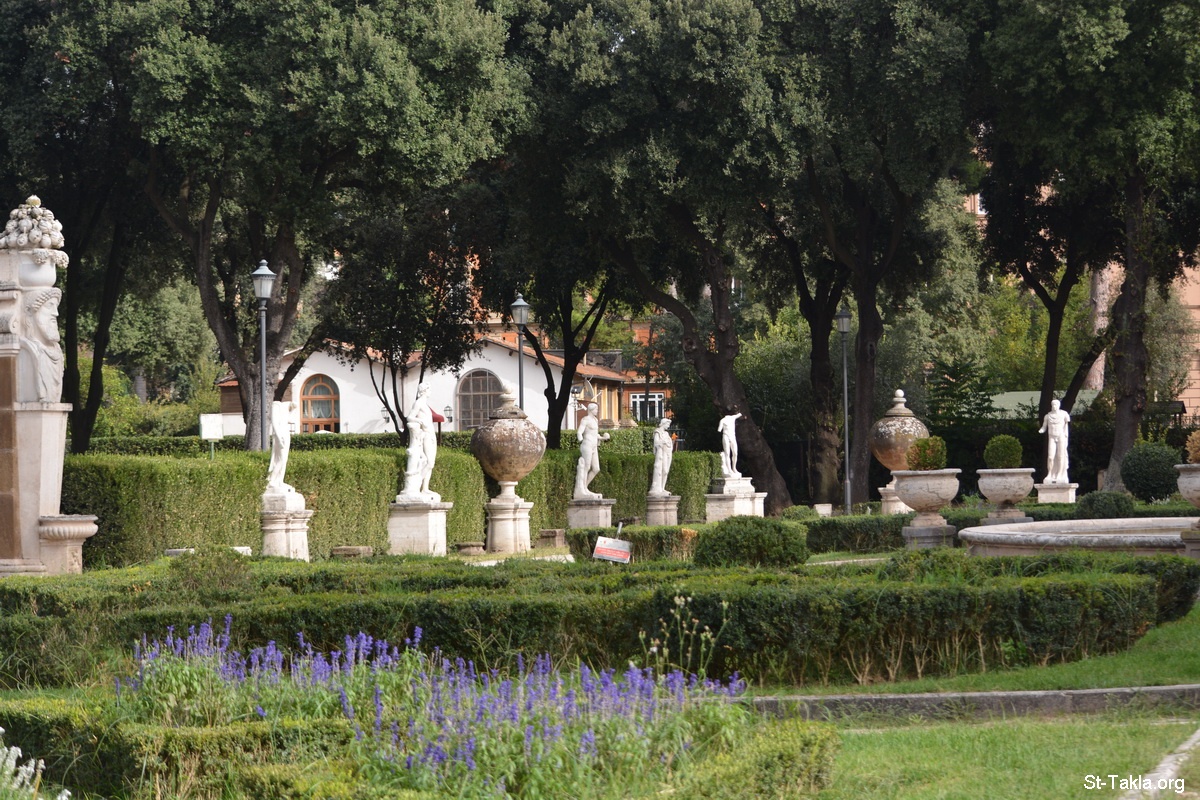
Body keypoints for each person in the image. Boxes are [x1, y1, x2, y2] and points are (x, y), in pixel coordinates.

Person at [17, 288, 63, 402]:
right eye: (49, 305)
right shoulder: (26, 349)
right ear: (30, 312)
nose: (56, 313)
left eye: (56, 307)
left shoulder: (57, 350)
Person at [402, 383, 440, 500]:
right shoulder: (418, 403)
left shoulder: (425, 404)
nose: (430, 392)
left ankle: (425, 488)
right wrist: (419, 421)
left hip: (431, 435)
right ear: (425, 390)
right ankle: (416, 484)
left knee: (431, 463)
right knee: (429, 462)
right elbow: (409, 417)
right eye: (429, 389)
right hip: (426, 435)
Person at [574, 403, 610, 499]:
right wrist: (581, 439)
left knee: (596, 469)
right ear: (591, 410)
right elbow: (579, 432)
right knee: (586, 467)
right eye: (596, 409)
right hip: (587, 445)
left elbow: (595, 434)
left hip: (594, 446)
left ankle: (584, 488)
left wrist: (602, 438)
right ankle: (582, 490)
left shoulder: (595, 420)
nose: (597, 411)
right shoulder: (585, 419)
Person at [1038, 399, 1071, 484]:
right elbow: (1044, 427)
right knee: (1050, 457)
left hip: (1061, 436)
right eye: (1053, 405)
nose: (1054, 406)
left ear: (1059, 405)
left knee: (1060, 456)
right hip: (1052, 437)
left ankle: (1060, 474)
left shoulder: (1064, 414)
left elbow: (1066, 426)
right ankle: (1050, 473)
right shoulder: (1048, 416)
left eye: (1056, 404)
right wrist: (1041, 430)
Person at [266, 400, 296, 491]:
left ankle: (279, 481)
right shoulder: (276, 405)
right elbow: (275, 423)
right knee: (280, 459)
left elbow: (290, 420)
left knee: (284, 459)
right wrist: (279, 438)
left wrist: (291, 410)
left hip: (285, 433)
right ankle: (271, 480)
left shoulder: (286, 409)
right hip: (280, 434)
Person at [649, 418, 674, 496]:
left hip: (667, 452)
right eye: (667, 424)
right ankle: (658, 488)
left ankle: (662, 488)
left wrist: (669, 444)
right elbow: (656, 443)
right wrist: (663, 442)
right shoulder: (658, 432)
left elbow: (670, 443)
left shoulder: (666, 434)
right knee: (662, 470)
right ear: (663, 424)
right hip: (662, 453)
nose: (668, 426)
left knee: (666, 471)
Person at [718, 411, 743, 478]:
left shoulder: (733, 418)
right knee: (727, 453)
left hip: (732, 437)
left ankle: (734, 467)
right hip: (726, 436)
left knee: (735, 453)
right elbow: (719, 429)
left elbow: (740, 414)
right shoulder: (722, 421)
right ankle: (729, 469)